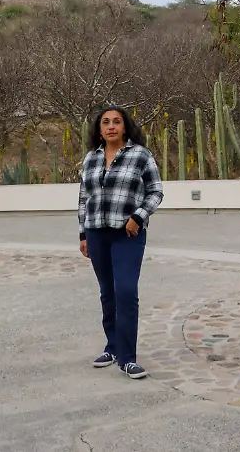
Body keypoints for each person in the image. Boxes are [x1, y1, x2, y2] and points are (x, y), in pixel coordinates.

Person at [77, 106, 164, 379]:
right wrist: (82, 234)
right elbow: (84, 198)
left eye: (116, 121)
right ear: (99, 130)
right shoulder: (91, 158)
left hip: (128, 234)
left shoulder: (140, 155)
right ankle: (112, 346)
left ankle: (128, 358)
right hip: (96, 233)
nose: (111, 126)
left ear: (125, 127)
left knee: (125, 291)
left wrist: (138, 216)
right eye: (105, 122)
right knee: (107, 292)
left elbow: (156, 191)